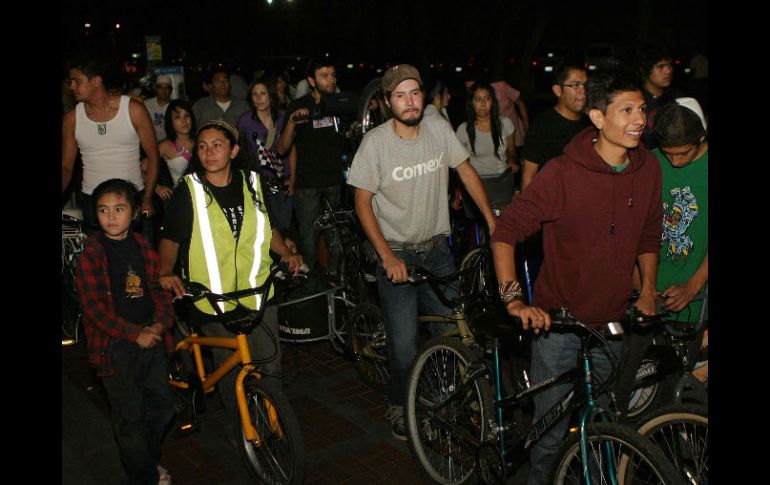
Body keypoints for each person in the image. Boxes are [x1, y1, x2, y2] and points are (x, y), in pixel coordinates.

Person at [490, 69, 662, 485]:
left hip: (612, 325)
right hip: (559, 326)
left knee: (604, 425)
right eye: (626, 110)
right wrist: (514, 299)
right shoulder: (562, 172)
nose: (639, 119)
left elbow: (649, 234)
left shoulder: (649, 168)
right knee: (550, 435)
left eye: (642, 109)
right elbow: (505, 231)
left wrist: (648, 290)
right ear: (598, 118)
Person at [347, 64, 495, 441]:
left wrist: (493, 222)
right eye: (400, 95)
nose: (409, 101)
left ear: (423, 96)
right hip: (397, 253)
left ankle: (443, 398)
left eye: (414, 93)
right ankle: (400, 404)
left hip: (437, 250)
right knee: (404, 344)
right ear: (387, 102)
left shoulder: (438, 129)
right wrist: (387, 257)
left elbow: (466, 172)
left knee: (450, 330)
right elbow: (362, 203)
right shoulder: (376, 143)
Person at [158, 120, 303, 413]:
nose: (209, 152)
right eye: (202, 147)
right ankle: (242, 427)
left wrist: (286, 253)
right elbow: (170, 240)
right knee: (229, 372)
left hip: (258, 291)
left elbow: (269, 228)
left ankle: (272, 423)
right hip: (213, 298)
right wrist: (165, 271)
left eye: (217, 145)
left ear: (234, 151)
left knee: (270, 365)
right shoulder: (189, 190)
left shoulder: (253, 183)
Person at [75, 178, 175, 485]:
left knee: (162, 406)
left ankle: (146, 460)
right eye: (103, 210)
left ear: (134, 213)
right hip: (115, 347)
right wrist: (134, 334)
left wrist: (160, 323)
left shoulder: (143, 246)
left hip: (151, 337)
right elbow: (94, 310)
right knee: (129, 416)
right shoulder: (91, 253)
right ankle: (143, 476)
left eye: (119, 209)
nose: (111, 216)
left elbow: (159, 290)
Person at [614, 98, 708, 414]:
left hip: (693, 295)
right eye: (669, 154)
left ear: (701, 139)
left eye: (684, 154)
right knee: (624, 380)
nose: (676, 161)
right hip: (646, 290)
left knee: (676, 386)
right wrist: (638, 279)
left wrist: (693, 286)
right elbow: (630, 224)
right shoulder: (649, 163)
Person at [62, 55, 161, 244]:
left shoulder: (133, 110)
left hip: (132, 199)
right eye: (70, 82)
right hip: (93, 203)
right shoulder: (71, 119)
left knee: (141, 258)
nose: (71, 86)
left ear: (96, 81)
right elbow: (66, 167)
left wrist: (148, 198)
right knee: (100, 260)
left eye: (77, 81)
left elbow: (153, 156)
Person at [276, 58, 348, 271]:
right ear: (311, 80)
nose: (330, 80)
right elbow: (282, 149)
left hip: (336, 182)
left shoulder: (341, 104)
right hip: (308, 186)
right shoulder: (299, 106)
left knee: (338, 241)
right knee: (308, 242)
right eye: (324, 76)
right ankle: (310, 285)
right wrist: (292, 122)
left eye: (333, 75)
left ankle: (336, 281)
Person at [237, 78, 297, 235]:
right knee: (264, 231)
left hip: (283, 182)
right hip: (258, 184)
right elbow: (240, 153)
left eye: (262, 93)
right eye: (254, 94)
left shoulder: (283, 118)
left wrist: (292, 180)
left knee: (284, 230)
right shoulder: (245, 120)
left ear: (271, 96)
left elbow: (292, 149)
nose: (258, 98)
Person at [521, 62, 590, 191]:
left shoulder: (590, 124)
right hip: (552, 199)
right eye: (575, 85)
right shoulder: (543, 125)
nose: (583, 91)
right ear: (558, 90)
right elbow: (528, 175)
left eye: (585, 85)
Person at [455, 81, 517, 214]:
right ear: (472, 103)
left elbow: (512, 152)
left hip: (502, 182)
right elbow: (459, 164)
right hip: (476, 185)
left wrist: (512, 162)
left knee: (505, 223)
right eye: (478, 99)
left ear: (492, 102)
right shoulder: (463, 130)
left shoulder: (505, 124)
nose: (483, 104)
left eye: (487, 99)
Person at [638, 41, 684, 149]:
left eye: (669, 64)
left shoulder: (677, 98)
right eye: (661, 66)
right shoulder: (635, 99)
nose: (668, 71)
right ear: (644, 69)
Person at [144, 75, 174, 142]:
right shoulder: (146, 104)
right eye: (160, 88)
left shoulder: (174, 106)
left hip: (168, 143)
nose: (164, 91)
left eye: (167, 88)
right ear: (156, 89)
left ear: (171, 90)